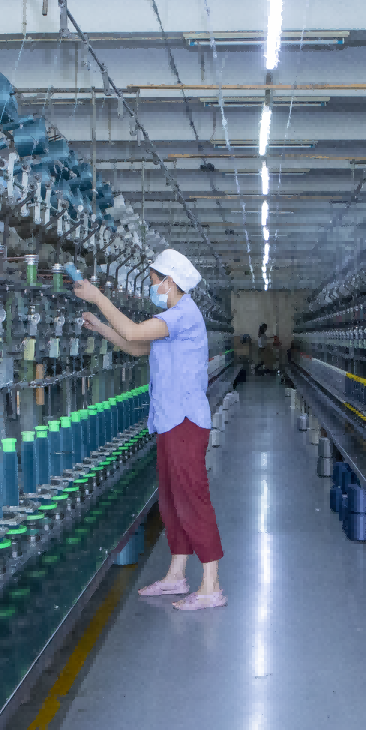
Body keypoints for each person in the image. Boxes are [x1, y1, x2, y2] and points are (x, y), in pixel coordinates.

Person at [73, 249, 226, 610]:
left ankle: (211, 585)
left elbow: (132, 330)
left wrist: (98, 297)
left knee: (192, 498)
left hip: (185, 421)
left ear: (169, 282)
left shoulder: (183, 315)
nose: (152, 287)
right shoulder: (170, 318)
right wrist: (100, 326)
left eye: (154, 281)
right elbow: (134, 346)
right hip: (169, 419)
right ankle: (176, 574)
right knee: (172, 499)